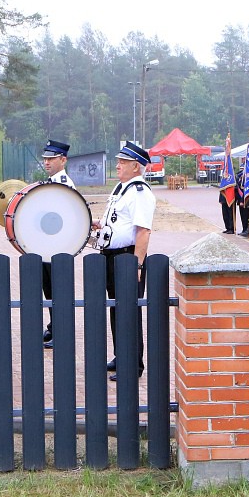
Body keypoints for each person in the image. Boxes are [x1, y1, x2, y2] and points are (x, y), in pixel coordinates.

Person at [94, 141, 155, 381]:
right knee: (117, 309)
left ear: (136, 167)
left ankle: (132, 364)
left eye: (123, 162)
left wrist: (137, 264)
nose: (118, 165)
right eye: (118, 161)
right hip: (111, 256)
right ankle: (122, 355)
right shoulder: (123, 188)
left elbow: (143, 232)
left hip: (127, 257)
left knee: (128, 311)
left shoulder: (140, 192)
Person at [40, 139, 75, 348]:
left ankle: (61, 331)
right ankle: (54, 327)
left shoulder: (64, 185)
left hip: (58, 247)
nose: (47, 162)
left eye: (51, 158)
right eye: (45, 158)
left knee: (57, 291)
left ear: (63, 160)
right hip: (47, 245)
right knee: (49, 289)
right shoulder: (51, 182)